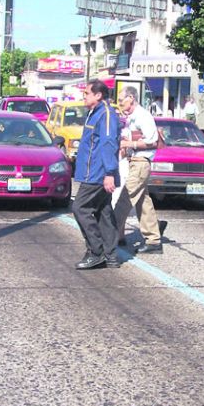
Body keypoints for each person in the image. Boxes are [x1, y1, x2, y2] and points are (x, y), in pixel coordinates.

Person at [72, 80, 122, 269]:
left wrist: (109, 173)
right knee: (103, 212)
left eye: (87, 93)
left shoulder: (106, 114)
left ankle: (96, 251)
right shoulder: (94, 113)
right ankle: (111, 255)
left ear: (98, 95)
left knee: (80, 208)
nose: (84, 96)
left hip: (98, 173)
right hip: (91, 172)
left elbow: (108, 143)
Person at [113, 86, 166, 254]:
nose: (120, 103)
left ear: (131, 98)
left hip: (141, 162)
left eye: (121, 100)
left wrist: (128, 144)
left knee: (125, 198)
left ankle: (109, 235)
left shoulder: (142, 116)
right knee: (143, 202)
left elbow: (152, 140)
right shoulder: (131, 117)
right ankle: (153, 240)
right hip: (134, 161)